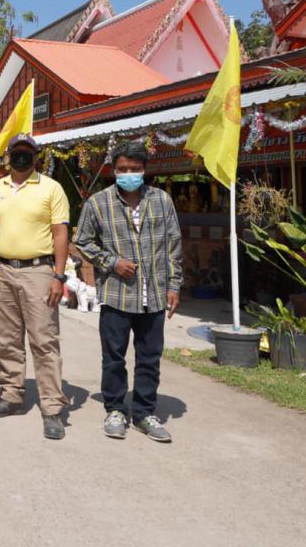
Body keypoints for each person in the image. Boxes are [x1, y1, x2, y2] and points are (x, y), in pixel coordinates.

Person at [73, 140, 182, 442]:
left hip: (154, 294)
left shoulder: (161, 201)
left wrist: (174, 285)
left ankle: (145, 413)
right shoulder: (98, 203)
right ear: (114, 170)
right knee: (114, 358)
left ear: (144, 169)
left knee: (149, 358)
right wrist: (112, 262)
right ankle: (115, 410)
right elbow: (83, 241)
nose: (129, 174)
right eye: (123, 169)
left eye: (135, 169)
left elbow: (173, 245)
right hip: (116, 294)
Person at [0, 134, 72, 440]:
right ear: (8, 156)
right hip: (6, 271)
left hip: (39, 272)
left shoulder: (51, 188)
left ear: (36, 156)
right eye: (16, 152)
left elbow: (60, 233)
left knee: (44, 341)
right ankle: (11, 396)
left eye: (27, 152)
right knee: (7, 339)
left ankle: (51, 408)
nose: (21, 157)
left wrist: (59, 276)